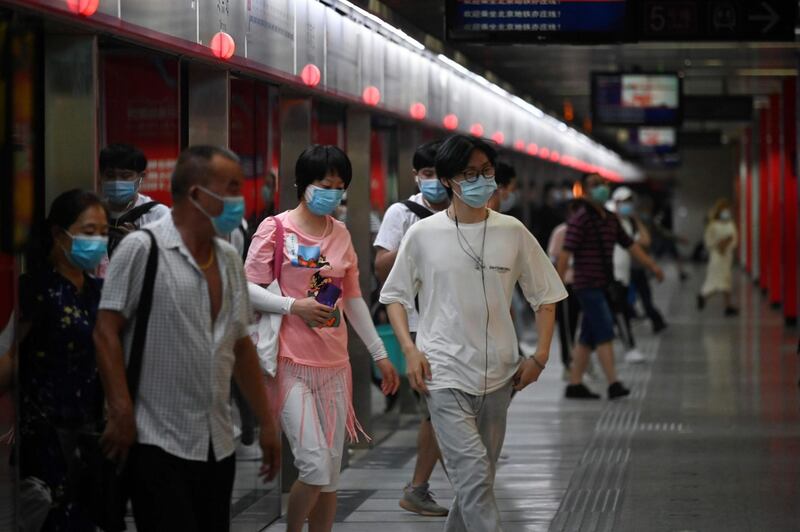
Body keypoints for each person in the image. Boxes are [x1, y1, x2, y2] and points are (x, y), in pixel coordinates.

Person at [380, 134, 566, 532]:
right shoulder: (423, 235)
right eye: (470, 173)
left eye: (487, 172)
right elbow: (394, 296)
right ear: (448, 180)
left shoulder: (512, 231)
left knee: (476, 481)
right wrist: (410, 351)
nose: (482, 180)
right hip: (442, 373)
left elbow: (546, 296)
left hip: (500, 375)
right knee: (476, 475)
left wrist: (541, 356)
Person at [93, 146, 281, 532]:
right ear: (197, 194)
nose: (238, 199)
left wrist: (266, 423)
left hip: (217, 440)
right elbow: (105, 330)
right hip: (155, 440)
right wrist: (121, 409)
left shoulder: (228, 258)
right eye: (230, 188)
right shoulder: (141, 249)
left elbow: (241, 344)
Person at [244, 145, 399, 532]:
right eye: (323, 184)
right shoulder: (275, 228)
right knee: (313, 465)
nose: (331, 192)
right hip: (289, 362)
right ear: (302, 184)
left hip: (335, 365)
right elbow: (244, 287)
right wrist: (293, 306)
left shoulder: (342, 233)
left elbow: (352, 298)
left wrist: (380, 354)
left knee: (329, 474)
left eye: (339, 186)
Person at [17, 189, 109, 531]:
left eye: (102, 233)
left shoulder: (99, 291)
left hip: (91, 432)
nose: (97, 241)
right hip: (45, 433)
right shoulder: (34, 288)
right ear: (59, 234)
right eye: (88, 232)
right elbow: (11, 357)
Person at [373, 140, 450, 517]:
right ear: (417, 176)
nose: (434, 182)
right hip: (419, 326)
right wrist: (413, 242)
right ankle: (422, 487)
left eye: (440, 175)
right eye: (427, 175)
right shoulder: (401, 213)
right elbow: (380, 268)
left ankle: (438, 486)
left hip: (452, 322)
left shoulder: (461, 211)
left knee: (446, 408)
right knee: (439, 408)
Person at [557, 173, 664, 401]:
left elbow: (630, 245)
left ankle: (574, 385)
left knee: (587, 337)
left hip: (603, 284)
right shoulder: (581, 219)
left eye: (603, 184)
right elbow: (565, 254)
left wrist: (652, 266)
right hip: (586, 286)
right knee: (605, 331)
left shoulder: (610, 219)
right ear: (585, 191)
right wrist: (556, 288)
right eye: (595, 185)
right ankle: (614, 383)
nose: (601, 189)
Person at [607, 187, 660, 364]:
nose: (627, 206)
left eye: (630, 202)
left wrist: (635, 218)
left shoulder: (628, 223)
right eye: (624, 202)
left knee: (609, 316)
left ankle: (582, 357)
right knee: (620, 313)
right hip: (610, 275)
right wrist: (652, 266)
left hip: (623, 275)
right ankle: (630, 347)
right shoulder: (609, 222)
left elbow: (644, 241)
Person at [99, 143, 170, 258]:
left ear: (141, 177)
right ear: (101, 176)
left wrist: (141, 245)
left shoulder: (158, 215)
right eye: (110, 175)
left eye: (125, 176)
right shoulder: (94, 212)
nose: (117, 181)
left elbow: (171, 261)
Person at [547, 200, 581, 375]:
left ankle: (582, 361)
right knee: (568, 327)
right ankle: (569, 363)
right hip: (567, 284)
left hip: (587, 284)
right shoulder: (561, 232)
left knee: (584, 326)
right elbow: (552, 258)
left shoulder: (587, 231)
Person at [698, 199, 738, 316]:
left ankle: (727, 306)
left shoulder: (731, 224)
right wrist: (719, 245)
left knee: (726, 281)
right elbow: (708, 241)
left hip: (727, 257)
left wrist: (727, 244)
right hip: (716, 257)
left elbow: (734, 239)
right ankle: (703, 296)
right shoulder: (713, 226)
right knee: (717, 281)